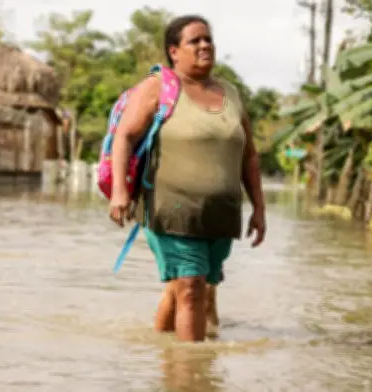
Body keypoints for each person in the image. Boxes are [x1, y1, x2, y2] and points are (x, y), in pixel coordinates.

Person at [108, 15, 266, 342]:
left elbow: (249, 155)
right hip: (172, 209)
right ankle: (190, 374)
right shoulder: (159, 88)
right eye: (195, 41)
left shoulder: (231, 93)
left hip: (220, 216)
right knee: (192, 289)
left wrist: (259, 209)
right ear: (174, 51)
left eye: (208, 39)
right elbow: (124, 136)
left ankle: (160, 345)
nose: (205, 45)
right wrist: (119, 193)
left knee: (194, 287)